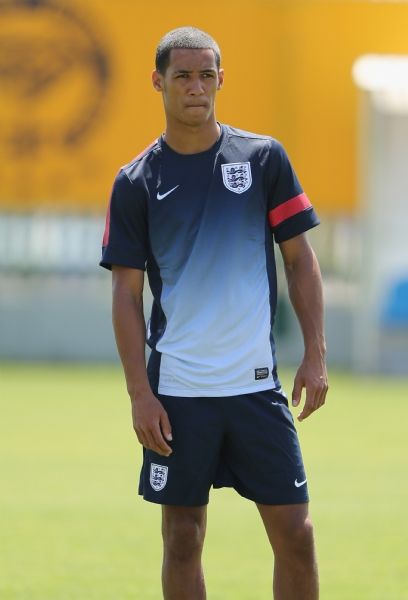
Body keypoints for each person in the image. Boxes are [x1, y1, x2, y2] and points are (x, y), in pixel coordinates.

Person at [100, 26, 328, 600]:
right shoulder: (136, 182)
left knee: (297, 535)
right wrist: (139, 394)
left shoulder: (263, 159)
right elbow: (126, 296)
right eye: (183, 76)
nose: (196, 87)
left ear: (221, 80)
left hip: (256, 388)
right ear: (158, 82)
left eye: (206, 75)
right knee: (183, 538)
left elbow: (299, 259)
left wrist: (315, 354)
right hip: (178, 393)